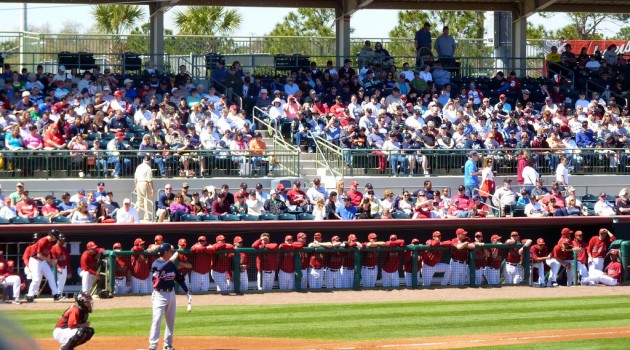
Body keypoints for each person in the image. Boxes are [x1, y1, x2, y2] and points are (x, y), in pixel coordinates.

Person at [148, 243, 191, 350]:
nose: (171, 252)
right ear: (165, 252)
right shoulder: (156, 263)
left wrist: (187, 291)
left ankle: (168, 345)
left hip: (171, 294)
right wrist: (171, 260)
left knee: (170, 321)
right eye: (170, 251)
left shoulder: (171, 265)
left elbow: (179, 278)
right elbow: (158, 270)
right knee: (157, 319)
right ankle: (153, 346)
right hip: (159, 294)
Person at [26, 229, 63, 302]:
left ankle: (56, 294)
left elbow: (47, 254)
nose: (56, 239)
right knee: (36, 279)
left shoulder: (51, 242)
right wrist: (49, 260)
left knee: (51, 276)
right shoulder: (42, 241)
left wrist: (50, 261)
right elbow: (39, 255)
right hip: (35, 261)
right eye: (55, 237)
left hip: (42, 261)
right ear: (51, 236)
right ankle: (30, 295)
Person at [50, 233, 71, 297]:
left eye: (63, 240)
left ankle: (60, 295)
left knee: (62, 283)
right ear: (58, 240)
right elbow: (54, 260)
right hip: (56, 268)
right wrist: (58, 267)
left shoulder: (64, 249)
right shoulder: (53, 248)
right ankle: (57, 295)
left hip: (64, 268)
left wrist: (69, 271)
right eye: (61, 240)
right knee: (58, 282)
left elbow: (67, 261)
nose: (63, 241)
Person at [134, 156, 154, 222]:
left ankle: (133, 214)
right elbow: (149, 180)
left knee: (140, 201)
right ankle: (147, 218)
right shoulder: (148, 168)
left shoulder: (138, 167)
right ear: (149, 161)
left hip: (138, 184)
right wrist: (152, 189)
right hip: (145, 183)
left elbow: (135, 178)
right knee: (147, 201)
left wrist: (135, 186)